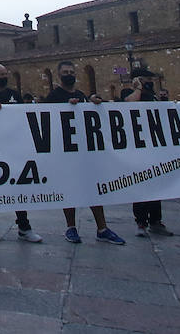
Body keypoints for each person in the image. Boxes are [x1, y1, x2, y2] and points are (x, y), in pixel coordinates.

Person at [46, 60, 126, 245]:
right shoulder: (53, 96)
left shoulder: (82, 96)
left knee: (94, 189)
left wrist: (94, 103)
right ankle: (71, 227)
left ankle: (102, 228)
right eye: (65, 72)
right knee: (69, 189)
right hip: (65, 151)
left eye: (72, 71)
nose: (69, 74)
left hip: (85, 152)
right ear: (59, 75)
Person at [0, 63, 43, 243]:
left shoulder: (14, 95)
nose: (4, 76)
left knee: (17, 186)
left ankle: (24, 227)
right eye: (1, 74)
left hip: (12, 147)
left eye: (6, 73)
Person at [122, 67, 171, 237]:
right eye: (145, 79)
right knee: (140, 184)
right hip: (137, 146)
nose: (149, 82)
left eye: (150, 80)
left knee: (155, 184)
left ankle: (156, 221)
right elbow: (130, 104)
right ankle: (141, 222)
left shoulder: (152, 96)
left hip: (154, 145)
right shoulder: (128, 92)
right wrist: (138, 88)